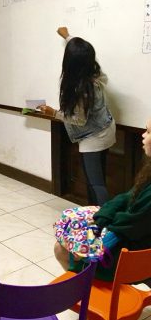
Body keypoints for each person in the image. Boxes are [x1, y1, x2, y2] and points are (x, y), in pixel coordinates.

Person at [54, 117, 151, 281]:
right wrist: (103, 216)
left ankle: (86, 291)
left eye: (148, 132)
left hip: (133, 259)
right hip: (135, 244)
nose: (143, 135)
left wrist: (100, 226)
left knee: (60, 249)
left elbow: (127, 225)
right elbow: (127, 197)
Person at [39, 27, 116, 206]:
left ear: (70, 63)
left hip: (93, 137)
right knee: (98, 180)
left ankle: (104, 222)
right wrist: (68, 37)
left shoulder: (81, 88)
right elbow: (86, 55)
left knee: (95, 184)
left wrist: (54, 113)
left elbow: (80, 120)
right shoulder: (95, 72)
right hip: (106, 128)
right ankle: (95, 215)